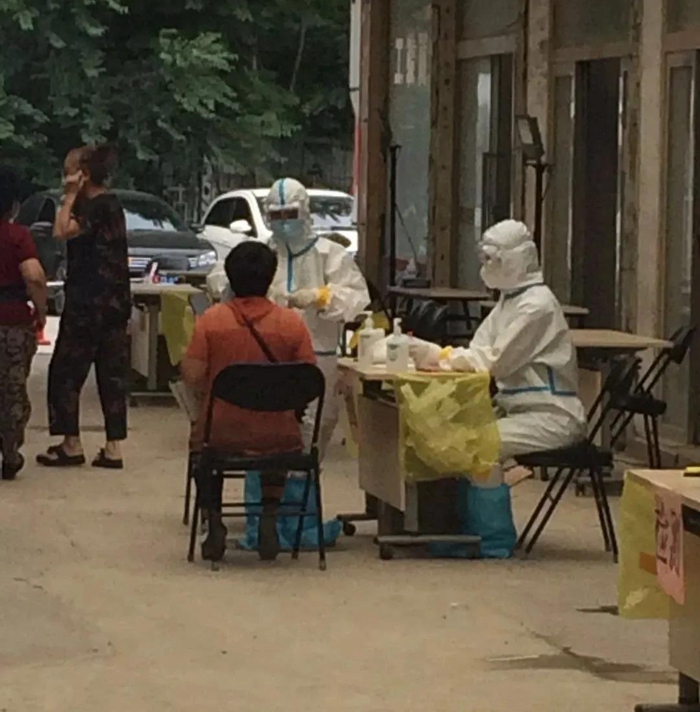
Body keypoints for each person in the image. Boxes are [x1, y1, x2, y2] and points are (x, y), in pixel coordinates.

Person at [411, 220, 587, 551]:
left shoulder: (537, 306)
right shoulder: (510, 302)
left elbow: (492, 362)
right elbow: (478, 350)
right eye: (485, 259)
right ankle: (457, 528)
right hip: (517, 410)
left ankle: (491, 540)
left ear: (516, 259)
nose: (487, 267)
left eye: (493, 259)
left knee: (479, 444)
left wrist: (439, 355)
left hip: (551, 415)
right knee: (450, 436)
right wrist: (440, 355)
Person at [208, 178, 370, 457]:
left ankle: (302, 481)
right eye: (276, 215)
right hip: (261, 355)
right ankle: (262, 483)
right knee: (262, 430)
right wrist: (240, 285)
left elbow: (356, 297)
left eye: (290, 214)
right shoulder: (258, 253)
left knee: (314, 431)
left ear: (304, 211)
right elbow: (219, 277)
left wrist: (322, 297)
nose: (283, 222)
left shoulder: (329, 254)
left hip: (317, 357)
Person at [183, 241, 317, 562]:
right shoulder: (292, 324)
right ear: (270, 279)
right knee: (276, 439)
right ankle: (269, 514)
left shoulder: (211, 321)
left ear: (230, 277)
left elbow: (192, 376)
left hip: (222, 432)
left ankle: (215, 519)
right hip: (279, 434)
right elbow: (309, 382)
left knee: (201, 446)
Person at [37, 146, 131, 469]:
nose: (65, 177)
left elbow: (60, 231)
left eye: (69, 171)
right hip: (115, 302)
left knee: (65, 371)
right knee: (112, 372)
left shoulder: (95, 205)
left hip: (87, 303)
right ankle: (113, 446)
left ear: (84, 174)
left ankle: (70, 443)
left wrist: (68, 196)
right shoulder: (112, 204)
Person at [0, 167, 48, 480]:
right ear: (13, 204)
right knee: (11, 391)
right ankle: (9, 452)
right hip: (11, 323)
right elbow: (34, 276)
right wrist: (41, 311)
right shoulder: (17, 237)